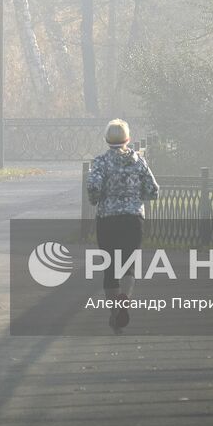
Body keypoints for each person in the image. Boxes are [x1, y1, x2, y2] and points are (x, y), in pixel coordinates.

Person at [85, 118, 159, 333]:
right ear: (129, 139)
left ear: (107, 139)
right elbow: (154, 190)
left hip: (108, 219)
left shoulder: (100, 162)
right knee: (129, 265)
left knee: (110, 267)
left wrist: (96, 200)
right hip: (133, 218)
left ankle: (114, 313)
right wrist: (136, 198)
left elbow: (93, 186)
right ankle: (124, 298)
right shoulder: (138, 161)